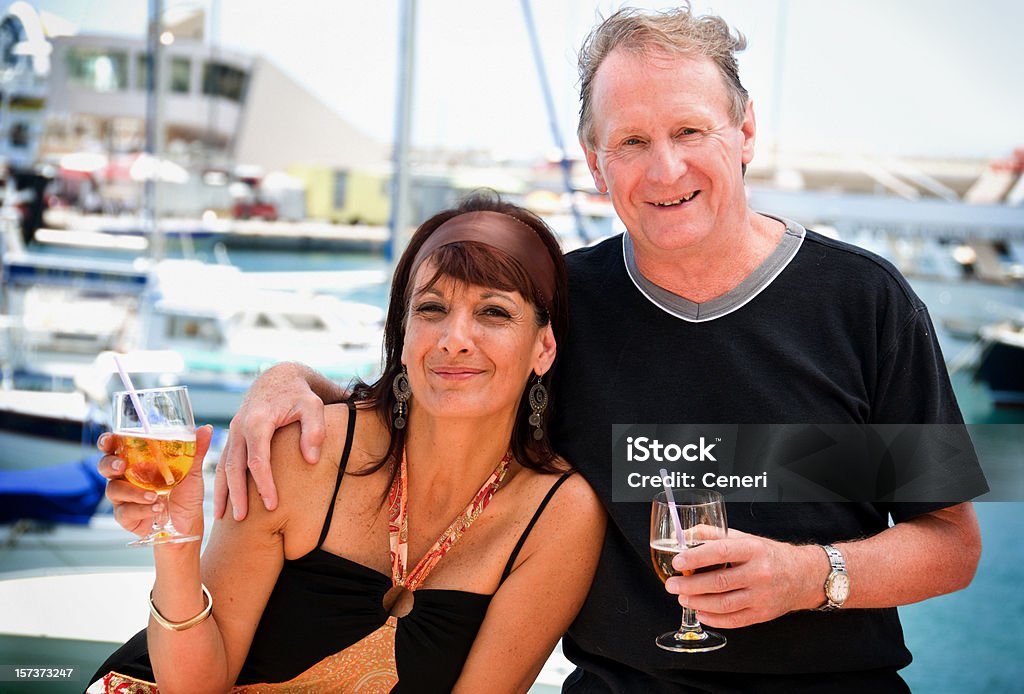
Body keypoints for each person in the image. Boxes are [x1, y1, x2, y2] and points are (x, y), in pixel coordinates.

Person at [209, 5, 988, 693]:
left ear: (745, 133)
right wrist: (292, 377)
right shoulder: (561, 309)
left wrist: (812, 577)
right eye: (632, 141)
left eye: (690, 131)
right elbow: (428, 400)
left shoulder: (863, 305)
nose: (666, 168)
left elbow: (950, 544)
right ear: (595, 163)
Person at [88, 194, 606, 693]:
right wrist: (177, 543)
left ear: (544, 346)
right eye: (431, 308)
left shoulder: (558, 514)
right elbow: (195, 686)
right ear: (402, 335)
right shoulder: (304, 451)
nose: (454, 338)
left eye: (494, 312)